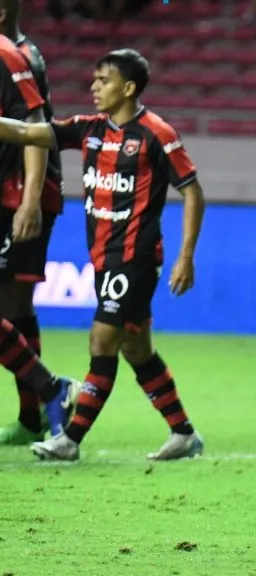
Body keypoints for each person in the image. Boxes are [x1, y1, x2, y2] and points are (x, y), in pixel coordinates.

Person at [0, 49, 207, 463]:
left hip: (136, 258)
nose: (93, 88)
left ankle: (70, 439)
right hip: (104, 257)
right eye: (94, 80)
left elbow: (193, 192)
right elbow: (26, 134)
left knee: (102, 341)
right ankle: (183, 433)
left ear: (128, 88)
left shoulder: (157, 134)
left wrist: (187, 256)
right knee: (136, 349)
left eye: (103, 81)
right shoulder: (89, 129)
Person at [0, 0, 67, 445]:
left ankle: (49, 391)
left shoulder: (11, 55)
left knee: (12, 308)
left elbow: (35, 126)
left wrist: (28, 202)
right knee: (17, 311)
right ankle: (35, 415)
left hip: (17, 195)